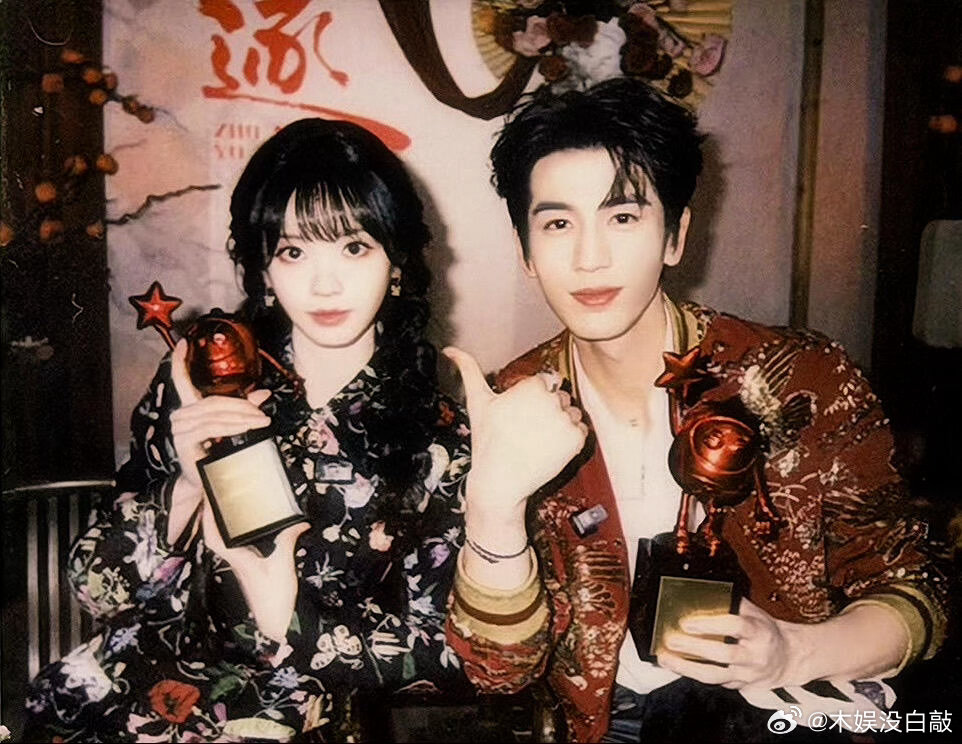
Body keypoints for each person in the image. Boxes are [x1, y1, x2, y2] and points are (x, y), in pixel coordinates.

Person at [444, 78, 950, 743]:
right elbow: (499, 672)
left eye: (623, 217)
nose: (590, 258)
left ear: (675, 236)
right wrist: (492, 505)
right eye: (558, 224)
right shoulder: (511, 405)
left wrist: (792, 651)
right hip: (602, 726)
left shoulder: (799, 380)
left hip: (776, 715)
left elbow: (917, 591)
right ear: (525, 252)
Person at [24, 118, 471, 742]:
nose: (324, 283)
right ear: (262, 267)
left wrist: (289, 617)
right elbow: (97, 589)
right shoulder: (200, 378)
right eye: (293, 251)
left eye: (354, 247)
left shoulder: (437, 435)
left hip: (289, 720)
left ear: (396, 260)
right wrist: (184, 487)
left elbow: (450, 654)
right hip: (123, 699)